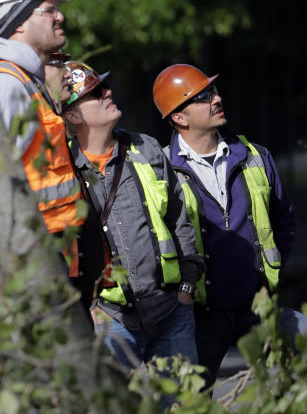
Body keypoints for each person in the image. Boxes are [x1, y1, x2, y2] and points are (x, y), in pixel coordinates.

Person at [152, 63, 307, 388]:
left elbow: (284, 221)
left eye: (213, 92)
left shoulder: (255, 156)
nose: (217, 99)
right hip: (199, 319)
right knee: (188, 403)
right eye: (203, 96)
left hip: (259, 307)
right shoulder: (160, 170)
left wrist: (271, 273)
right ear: (179, 118)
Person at [60, 61, 202, 370]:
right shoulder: (63, 171)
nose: (108, 93)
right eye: (95, 92)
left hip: (171, 312)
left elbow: (180, 221)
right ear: (72, 115)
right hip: (110, 319)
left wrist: (187, 290)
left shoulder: (147, 148)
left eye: (105, 86)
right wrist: (90, 308)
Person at [0, 0, 86, 302]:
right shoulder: (7, 84)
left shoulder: (26, 81)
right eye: (50, 10)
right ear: (20, 20)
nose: (60, 17)